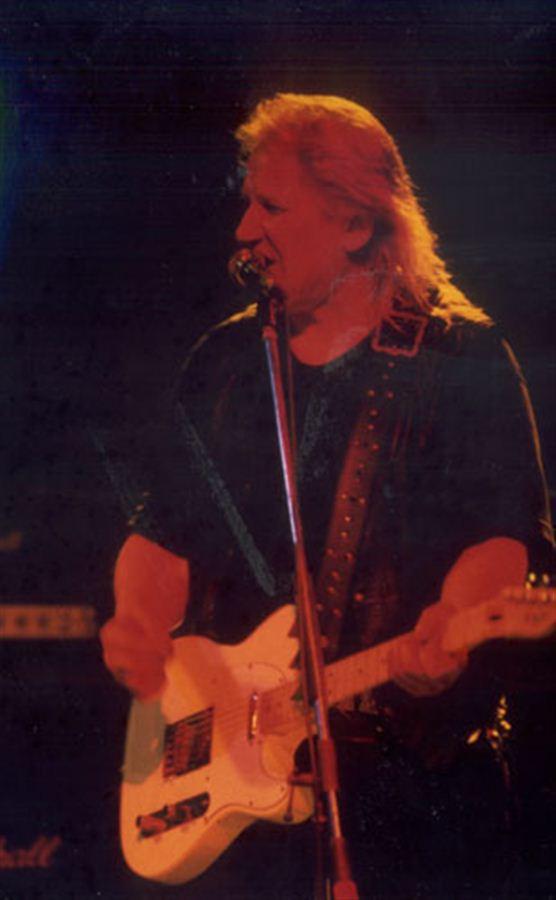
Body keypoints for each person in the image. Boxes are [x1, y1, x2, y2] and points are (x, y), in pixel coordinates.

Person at [100, 94, 553, 898]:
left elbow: (502, 536)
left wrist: (453, 621)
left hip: (419, 794)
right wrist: (137, 621)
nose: (244, 228)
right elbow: (163, 532)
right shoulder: (226, 363)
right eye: (248, 202)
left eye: (271, 206)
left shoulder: (463, 357)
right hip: (243, 804)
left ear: (355, 222)